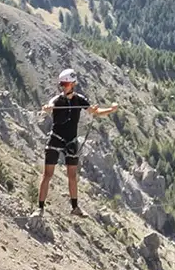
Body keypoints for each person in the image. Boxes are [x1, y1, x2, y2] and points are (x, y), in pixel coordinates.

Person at [39, 69, 117, 216]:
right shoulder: (56, 100)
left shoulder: (79, 100)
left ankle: (75, 207)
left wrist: (111, 110)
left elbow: (95, 112)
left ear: (73, 84)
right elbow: (48, 106)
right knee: (47, 175)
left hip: (70, 141)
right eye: (62, 84)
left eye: (66, 84)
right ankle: (40, 208)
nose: (63, 87)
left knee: (72, 176)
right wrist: (47, 108)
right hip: (56, 138)